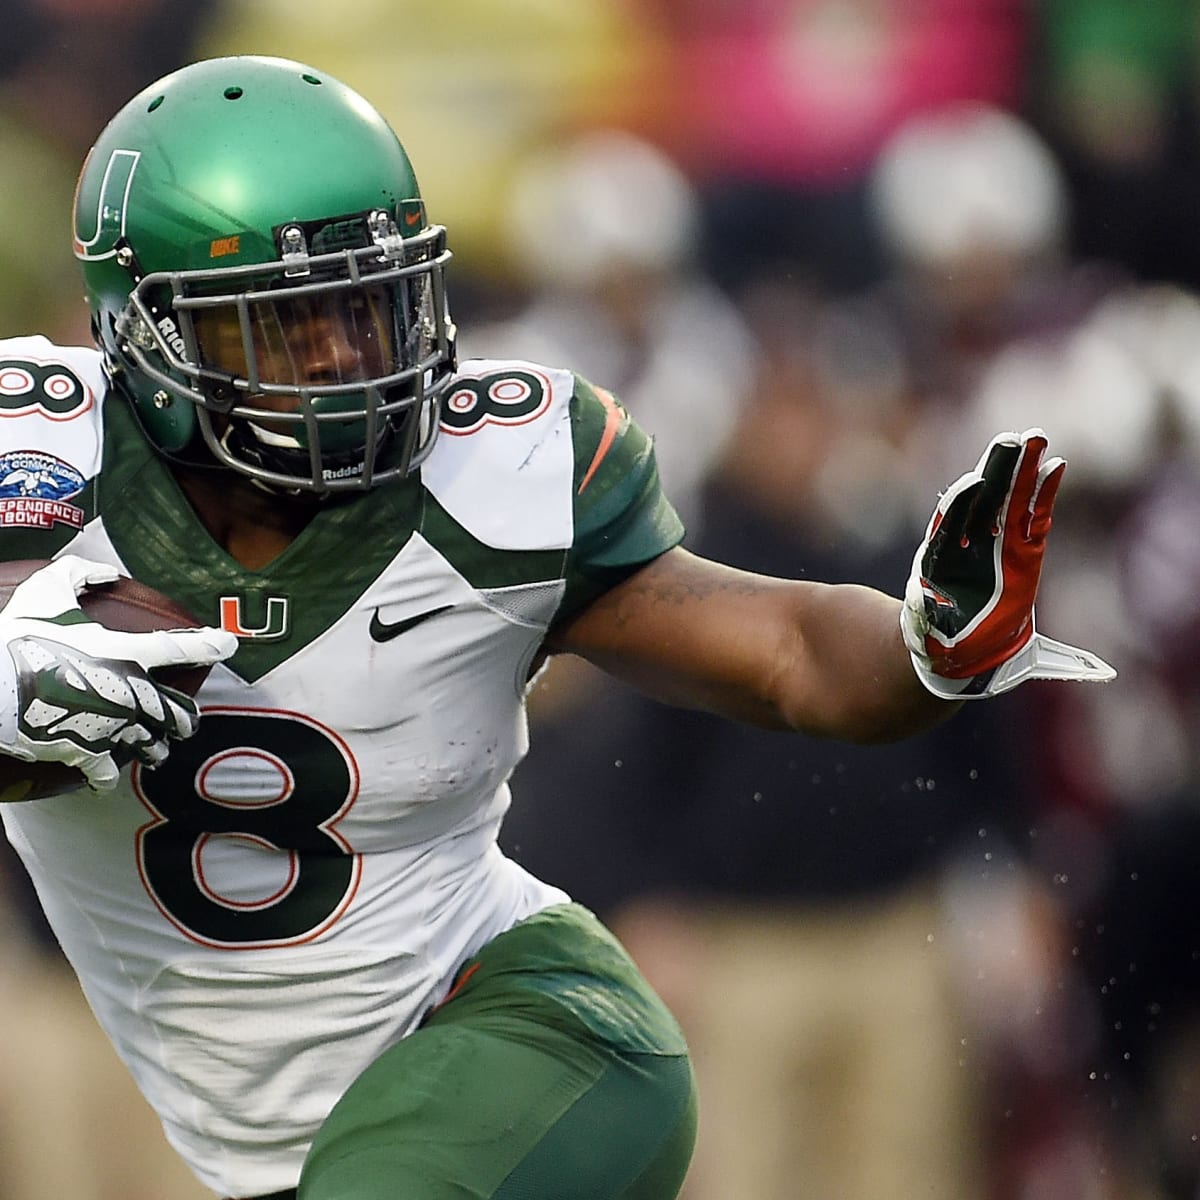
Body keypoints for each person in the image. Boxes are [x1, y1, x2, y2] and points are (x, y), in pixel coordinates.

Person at [0, 55, 1114, 1200]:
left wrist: (929, 648)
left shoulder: (498, 478)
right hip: (289, 1133)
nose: (342, 358)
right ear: (142, 337)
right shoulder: (35, 453)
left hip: (525, 1032)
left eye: (367, 307)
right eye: (282, 327)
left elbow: (785, 652)